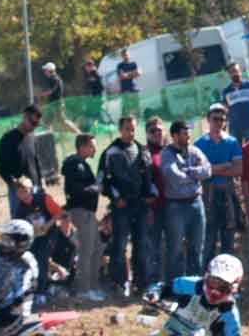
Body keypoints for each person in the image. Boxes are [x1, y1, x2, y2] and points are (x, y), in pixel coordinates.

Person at [100, 115, 155, 294]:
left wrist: (151, 194)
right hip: (121, 207)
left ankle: (141, 283)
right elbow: (103, 181)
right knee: (119, 245)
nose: (130, 133)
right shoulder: (110, 152)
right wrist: (116, 198)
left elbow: (151, 177)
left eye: (133, 129)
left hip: (141, 206)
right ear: (120, 130)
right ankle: (118, 283)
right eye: (127, 129)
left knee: (142, 244)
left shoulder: (143, 150)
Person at [143, 253, 243, 336]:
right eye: (213, 283)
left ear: (233, 289)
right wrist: (154, 294)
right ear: (206, 276)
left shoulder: (230, 315)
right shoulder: (191, 285)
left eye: (223, 287)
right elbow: (163, 287)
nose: (215, 291)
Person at [162, 120, 212, 280]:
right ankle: (174, 285)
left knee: (196, 247)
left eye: (189, 134)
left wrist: (189, 171)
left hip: (196, 203)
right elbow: (174, 177)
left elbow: (208, 171)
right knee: (175, 249)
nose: (189, 137)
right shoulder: (167, 154)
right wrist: (196, 175)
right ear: (175, 135)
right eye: (185, 134)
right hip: (176, 206)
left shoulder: (195, 151)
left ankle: (194, 284)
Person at [195, 104, 243, 264]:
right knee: (208, 239)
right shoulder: (199, 144)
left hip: (228, 193)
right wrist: (224, 166)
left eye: (222, 119)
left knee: (228, 237)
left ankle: (227, 274)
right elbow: (197, 172)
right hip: (207, 195)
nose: (219, 122)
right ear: (208, 120)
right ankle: (206, 275)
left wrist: (211, 169)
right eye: (215, 119)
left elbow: (238, 170)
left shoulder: (232, 141)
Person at [61, 133, 105, 301]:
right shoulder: (76, 165)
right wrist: (96, 188)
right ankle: (84, 289)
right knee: (86, 250)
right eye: (92, 146)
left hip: (87, 212)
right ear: (82, 147)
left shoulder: (80, 164)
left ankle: (93, 285)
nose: (94, 149)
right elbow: (76, 191)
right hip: (82, 211)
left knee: (96, 247)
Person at [11, 176, 65, 305]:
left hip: (50, 233)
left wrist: (48, 224)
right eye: (20, 192)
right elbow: (19, 227)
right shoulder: (19, 209)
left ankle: (42, 291)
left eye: (25, 191)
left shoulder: (43, 198)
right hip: (34, 237)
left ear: (31, 190)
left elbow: (59, 213)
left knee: (42, 257)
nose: (23, 195)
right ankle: (33, 288)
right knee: (30, 258)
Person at [0, 105, 43, 219]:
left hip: (35, 189)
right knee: (20, 224)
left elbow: (36, 162)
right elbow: (1, 169)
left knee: (39, 223)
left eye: (37, 124)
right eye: (33, 123)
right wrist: (16, 184)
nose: (34, 127)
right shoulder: (8, 139)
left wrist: (41, 183)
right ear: (24, 117)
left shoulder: (32, 137)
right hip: (18, 193)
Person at [144, 117, 169, 287]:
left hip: (172, 207)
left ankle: (169, 281)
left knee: (172, 246)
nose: (157, 134)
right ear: (147, 134)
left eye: (159, 130)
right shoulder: (145, 153)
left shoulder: (169, 151)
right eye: (153, 131)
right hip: (153, 208)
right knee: (154, 247)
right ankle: (153, 283)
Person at [219, 62, 249, 143]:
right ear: (229, 74)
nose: (235, 73)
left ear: (240, 71)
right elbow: (224, 110)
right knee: (236, 150)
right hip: (234, 128)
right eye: (232, 72)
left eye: (236, 70)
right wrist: (223, 127)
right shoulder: (226, 91)